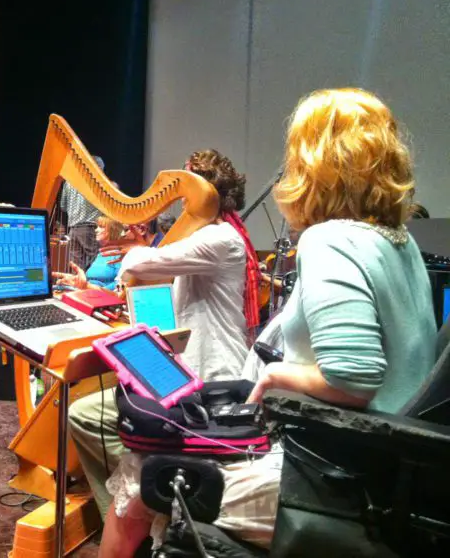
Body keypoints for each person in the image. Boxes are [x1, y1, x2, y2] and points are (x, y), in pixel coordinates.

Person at [99, 89, 438, 556]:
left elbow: (354, 379)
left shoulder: (330, 240)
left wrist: (277, 375)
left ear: (313, 163)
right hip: (388, 474)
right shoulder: (401, 243)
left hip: (327, 481)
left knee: (141, 470)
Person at [68, 149, 259, 526]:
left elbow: (138, 264)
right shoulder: (213, 236)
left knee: (84, 416)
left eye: (183, 189)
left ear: (203, 193)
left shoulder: (222, 239)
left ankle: (131, 517)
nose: (177, 200)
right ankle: (143, 507)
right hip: (193, 367)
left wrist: (131, 250)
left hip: (212, 373)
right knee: (98, 408)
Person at [52, 216, 124, 291]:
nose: (96, 230)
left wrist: (91, 288)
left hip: (102, 298)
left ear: (113, 230)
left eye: (101, 227)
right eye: (97, 227)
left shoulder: (119, 256)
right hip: (87, 294)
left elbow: (120, 286)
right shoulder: (100, 254)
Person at [59, 155, 105, 271]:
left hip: (73, 229)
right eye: (101, 170)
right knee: (95, 264)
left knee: (76, 267)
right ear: (97, 168)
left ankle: (78, 288)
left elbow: (63, 206)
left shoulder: (69, 182)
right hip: (89, 228)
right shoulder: (96, 182)